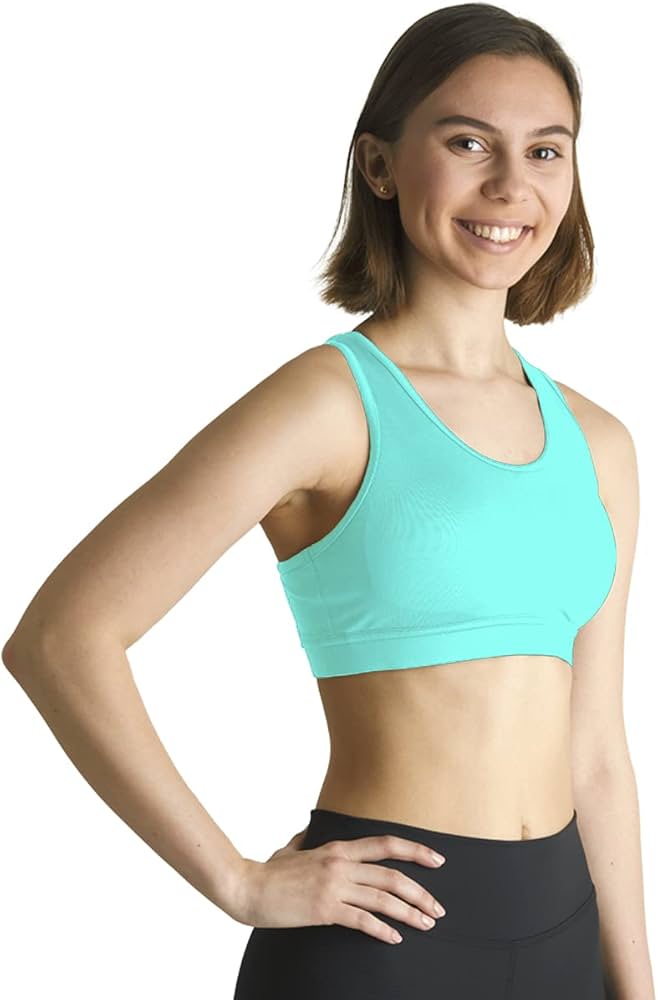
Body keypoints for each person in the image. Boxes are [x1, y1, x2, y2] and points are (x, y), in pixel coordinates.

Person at [2, 4, 653, 999]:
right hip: (379, 946)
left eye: (544, 150)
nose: (509, 186)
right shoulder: (327, 403)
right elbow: (61, 637)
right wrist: (236, 881)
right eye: (467, 142)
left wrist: (636, 985)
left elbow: (597, 752)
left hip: (566, 932)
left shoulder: (600, 443)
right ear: (379, 165)